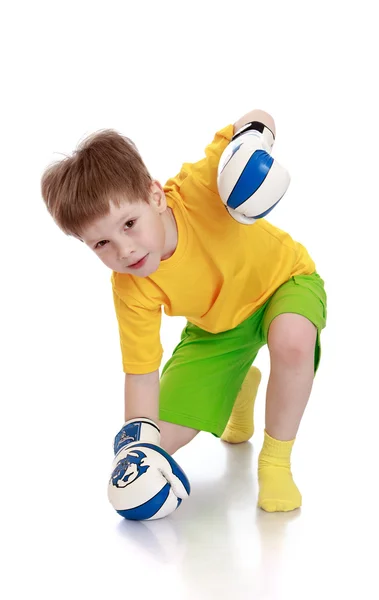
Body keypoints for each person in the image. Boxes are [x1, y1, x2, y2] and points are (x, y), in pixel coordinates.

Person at [41, 109, 327, 517]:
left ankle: (276, 461)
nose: (124, 250)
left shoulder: (202, 184)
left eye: (129, 224)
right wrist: (139, 450)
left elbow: (257, 117)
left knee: (294, 340)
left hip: (285, 283)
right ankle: (238, 388)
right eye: (101, 243)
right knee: (158, 443)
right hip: (217, 330)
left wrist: (252, 145)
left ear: (155, 196)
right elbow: (140, 374)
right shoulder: (130, 287)